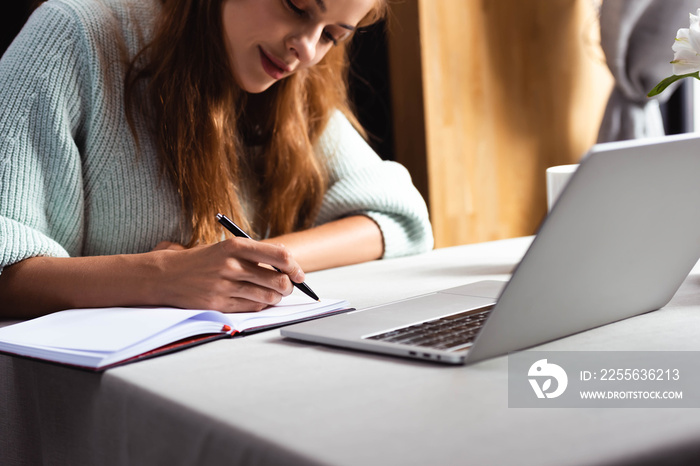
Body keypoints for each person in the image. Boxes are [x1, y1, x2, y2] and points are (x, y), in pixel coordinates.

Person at [0, 0, 433, 318]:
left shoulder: (292, 82)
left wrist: (242, 259)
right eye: (297, 7)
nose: (305, 49)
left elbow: (400, 219)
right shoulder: (73, 36)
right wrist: (162, 276)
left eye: (332, 35)